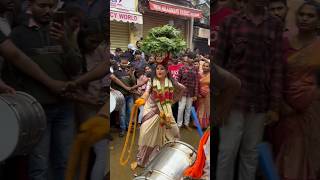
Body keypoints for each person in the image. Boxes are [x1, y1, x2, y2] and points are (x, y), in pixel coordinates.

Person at [2, 0, 83, 179]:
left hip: (64, 108)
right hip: (37, 111)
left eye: (51, 6)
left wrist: (65, 42)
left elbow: (75, 68)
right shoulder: (18, 35)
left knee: (64, 161)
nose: (48, 10)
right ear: (30, 5)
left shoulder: (63, 31)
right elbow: (13, 73)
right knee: (40, 166)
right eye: (42, 5)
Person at [214, 0, 284, 179]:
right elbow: (217, 65)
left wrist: (274, 106)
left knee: (250, 153)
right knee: (227, 152)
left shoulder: (274, 25)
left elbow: (277, 66)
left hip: (260, 101)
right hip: (232, 101)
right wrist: (217, 102)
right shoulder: (230, 22)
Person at [272, 1, 320, 179]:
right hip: (283, 108)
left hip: (312, 108)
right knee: (284, 153)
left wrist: (307, 98)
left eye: (310, 16)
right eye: (302, 15)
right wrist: (281, 104)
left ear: (318, 21)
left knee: (309, 154)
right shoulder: (284, 43)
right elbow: (275, 75)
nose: (305, 19)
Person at [135, 58, 185, 167]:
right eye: (157, 68)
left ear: (167, 71)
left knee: (174, 132)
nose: (159, 71)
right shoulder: (151, 81)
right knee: (144, 134)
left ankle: (165, 158)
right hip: (151, 110)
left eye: (162, 69)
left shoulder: (171, 82)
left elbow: (183, 89)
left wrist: (173, 101)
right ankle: (144, 159)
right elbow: (147, 92)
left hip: (166, 111)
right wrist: (142, 99)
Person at [176, 52, 199, 130]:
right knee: (181, 108)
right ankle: (179, 124)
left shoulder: (195, 69)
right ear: (187, 58)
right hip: (182, 92)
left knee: (188, 109)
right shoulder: (182, 68)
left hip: (191, 93)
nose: (191, 60)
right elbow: (177, 81)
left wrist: (195, 94)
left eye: (193, 58)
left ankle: (186, 124)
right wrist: (178, 92)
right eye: (190, 58)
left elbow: (196, 82)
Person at [196, 61, 210, 129]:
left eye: (207, 66)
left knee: (206, 109)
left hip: (208, 95)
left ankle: (204, 124)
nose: (205, 67)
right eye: (204, 66)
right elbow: (197, 85)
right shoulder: (199, 74)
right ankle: (198, 124)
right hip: (200, 94)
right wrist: (198, 93)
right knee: (200, 108)